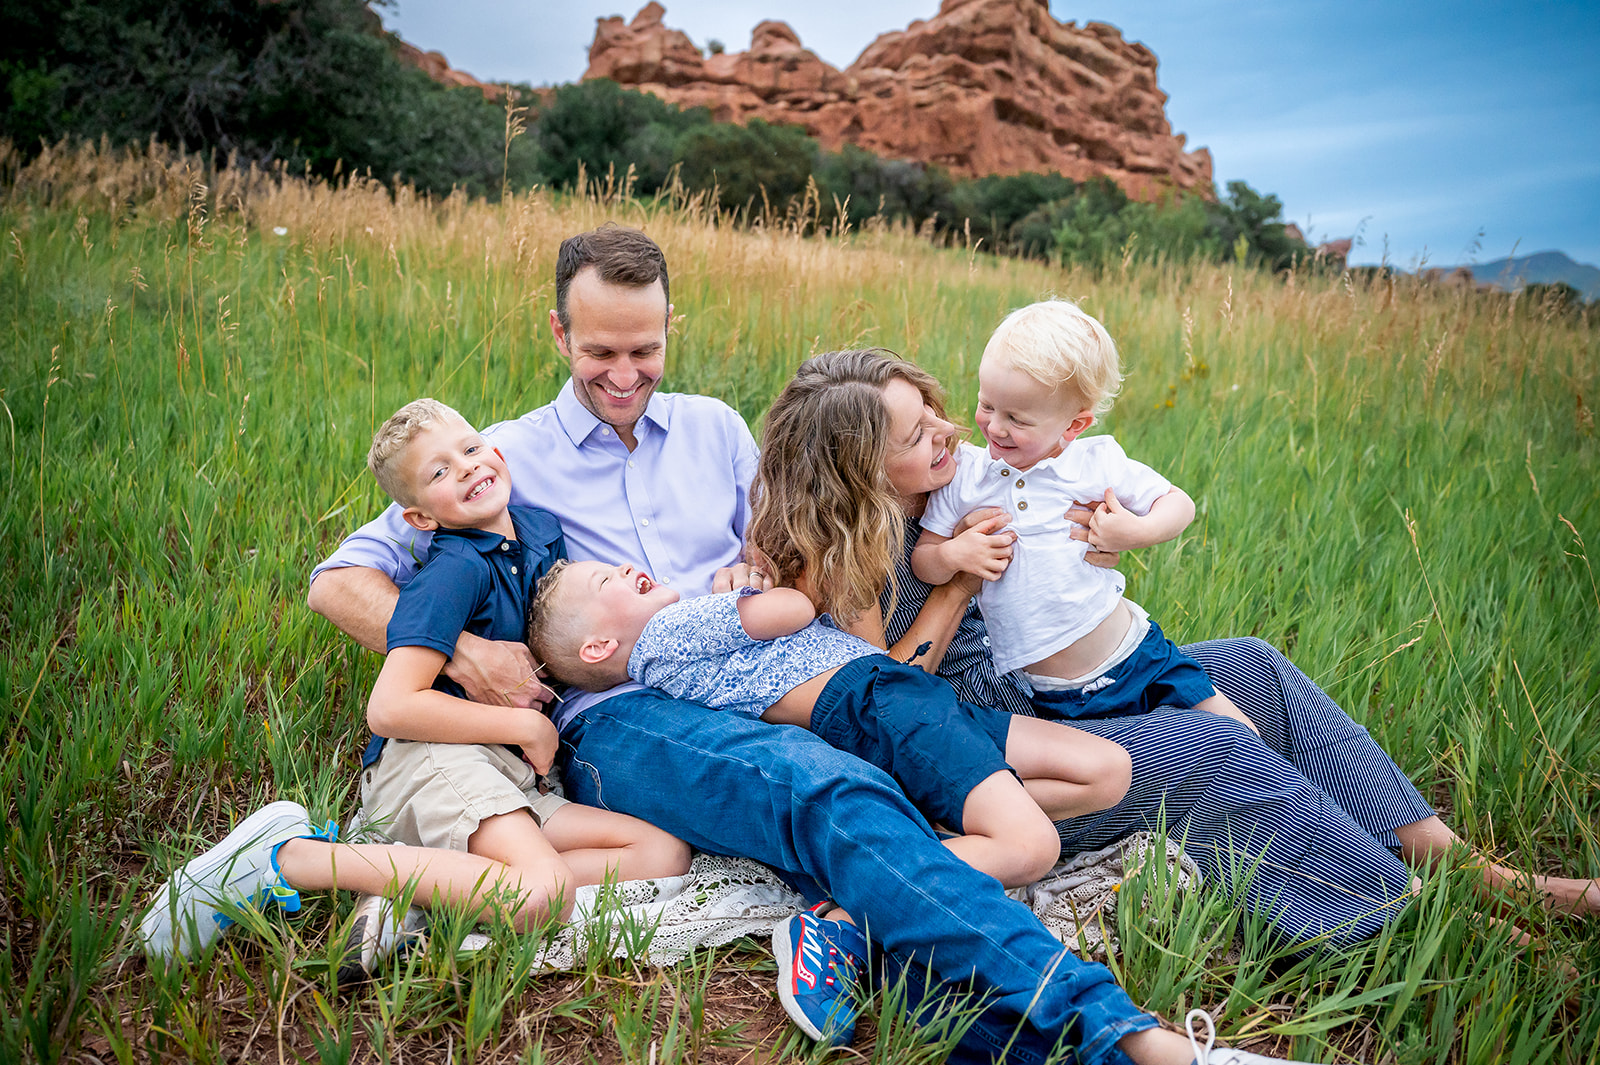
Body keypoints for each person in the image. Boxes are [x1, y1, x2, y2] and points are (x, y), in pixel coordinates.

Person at [308, 224, 1317, 1065]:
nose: (623, 374)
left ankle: (869, 915)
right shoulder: (499, 455)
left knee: (947, 783)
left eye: (643, 349)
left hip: (769, 672)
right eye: (598, 351)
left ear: (668, 329)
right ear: (559, 333)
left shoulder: (714, 429)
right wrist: (463, 655)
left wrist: (784, 570)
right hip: (623, 711)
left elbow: (790, 539)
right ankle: (1127, 1039)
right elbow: (340, 582)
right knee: (833, 793)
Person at [743, 346, 1600, 968]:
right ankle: (1407, 919)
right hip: (976, 763)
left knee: (1251, 668)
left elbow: (1065, 491)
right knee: (1210, 744)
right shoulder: (844, 551)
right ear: (860, 467)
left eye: (934, 410)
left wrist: (1103, 533)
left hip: (1032, 692)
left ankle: (1464, 867)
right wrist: (958, 583)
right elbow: (884, 709)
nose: (948, 431)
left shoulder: (952, 482)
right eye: (916, 434)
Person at [140, 399, 689, 967]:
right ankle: (292, 858)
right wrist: (523, 724)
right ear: (421, 518)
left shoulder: (540, 533)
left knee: (660, 851)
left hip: (503, 770)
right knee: (540, 895)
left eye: (471, 449)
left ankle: (422, 888)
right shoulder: (455, 572)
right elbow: (390, 707)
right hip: (434, 756)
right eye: (439, 471)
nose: (467, 467)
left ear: (498, 454)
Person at [528, 557, 1131, 892]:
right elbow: (795, 608)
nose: (626, 567)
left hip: (897, 697)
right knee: (1031, 847)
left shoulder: (670, 649)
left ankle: (931, 833)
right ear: (598, 647)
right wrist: (754, 584)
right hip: (876, 704)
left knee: (1104, 771)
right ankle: (858, 905)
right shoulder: (670, 629)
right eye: (606, 579)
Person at [912, 300, 1250, 730]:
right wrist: (955, 555)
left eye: (1017, 419)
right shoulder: (967, 476)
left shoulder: (1093, 463)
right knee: (1148, 757)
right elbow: (924, 560)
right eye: (987, 405)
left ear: (1074, 426)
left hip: (1138, 654)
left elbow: (1180, 504)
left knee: (1234, 730)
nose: (995, 427)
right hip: (1049, 694)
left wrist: (1134, 532)